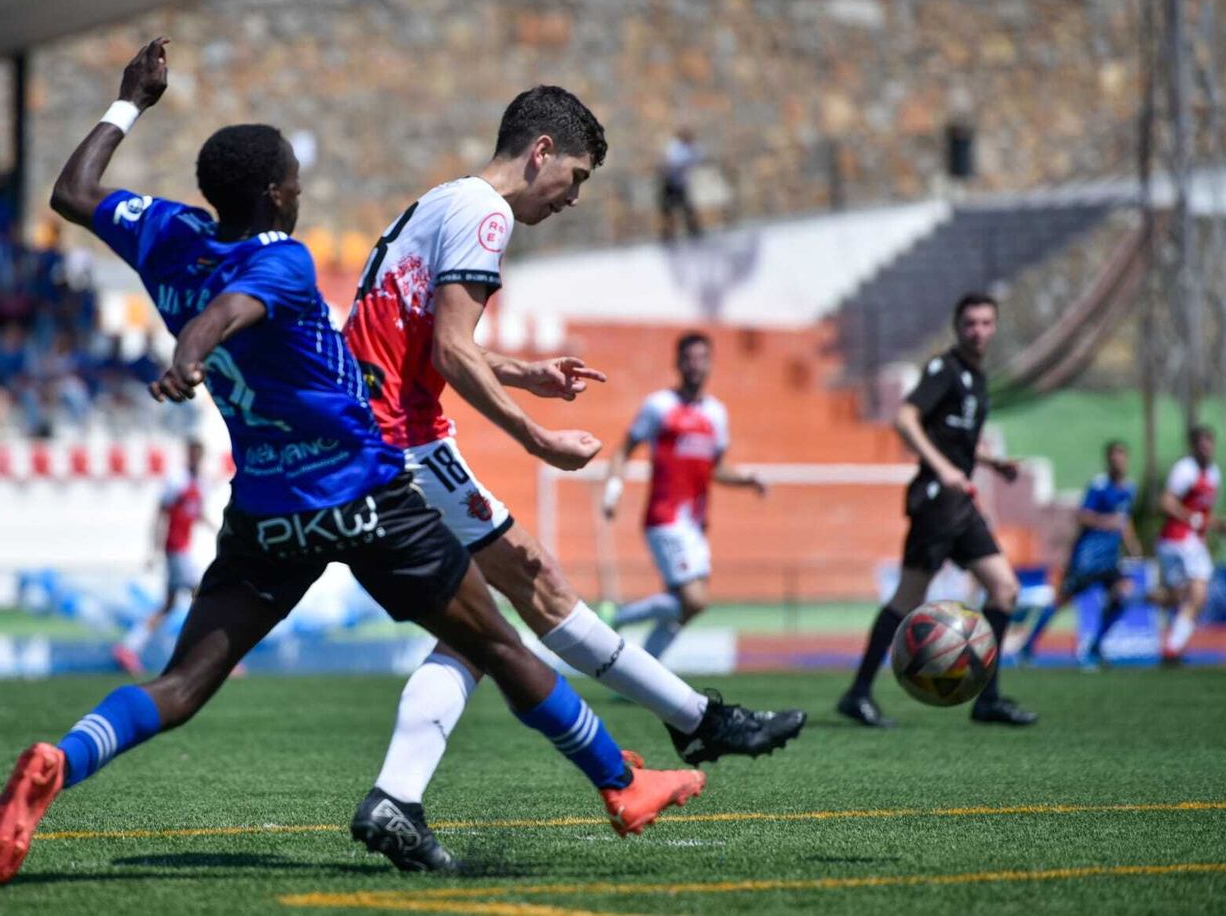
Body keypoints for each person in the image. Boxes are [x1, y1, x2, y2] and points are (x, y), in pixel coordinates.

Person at [0, 38, 704, 886]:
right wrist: (192, 349)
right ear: (281, 193)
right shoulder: (282, 261)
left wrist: (128, 103)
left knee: (183, 682)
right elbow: (233, 309)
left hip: (264, 512)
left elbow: (73, 193)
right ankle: (623, 784)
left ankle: (62, 761)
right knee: (499, 646)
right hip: (365, 493)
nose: (300, 189)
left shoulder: (169, 236)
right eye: (295, 180)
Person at [342, 86, 804, 870]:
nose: (576, 198)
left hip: (368, 440)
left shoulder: (445, 202)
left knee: (479, 626)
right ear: (541, 152)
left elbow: (431, 339)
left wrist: (524, 372)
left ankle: (397, 798)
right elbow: (453, 350)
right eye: (579, 176)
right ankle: (695, 721)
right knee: (535, 583)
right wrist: (535, 436)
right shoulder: (486, 216)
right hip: (399, 444)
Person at [837, 292, 1036, 727]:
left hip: (960, 502)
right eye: (970, 324)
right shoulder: (943, 370)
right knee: (908, 598)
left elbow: (955, 440)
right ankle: (858, 693)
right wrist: (944, 468)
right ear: (957, 327)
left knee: (1005, 589)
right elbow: (906, 419)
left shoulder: (977, 379)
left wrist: (987, 462)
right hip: (935, 503)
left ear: (994, 327)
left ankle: (988, 698)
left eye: (985, 323)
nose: (978, 331)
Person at [602, 332, 767, 659]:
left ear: (710, 364)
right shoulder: (660, 407)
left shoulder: (716, 414)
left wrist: (747, 481)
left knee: (685, 609)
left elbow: (716, 468)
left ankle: (645, 674)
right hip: (665, 518)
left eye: (702, 358)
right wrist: (613, 490)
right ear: (678, 363)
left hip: (695, 523)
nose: (696, 365)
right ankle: (618, 616)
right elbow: (623, 450)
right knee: (695, 600)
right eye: (689, 359)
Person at [1018, 441, 1141, 669]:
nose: (1118, 460)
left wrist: (1132, 545)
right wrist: (1106, 522)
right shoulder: (1099, 486)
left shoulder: (1129, 488)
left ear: (1127, 459)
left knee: (1122, 594)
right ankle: (1027, 646)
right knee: (1062, 600)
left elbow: (1124, 520)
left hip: (1110, 559)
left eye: (1122, 455)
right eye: (1114, 455)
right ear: (1108, 459)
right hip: (1088, 558)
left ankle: (1096, 646)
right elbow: (1082, 516)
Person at [115, 439, 210, 675]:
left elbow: (196, 513)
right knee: (203, 596)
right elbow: (161, 515)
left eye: (198, 454)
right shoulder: (176, 482)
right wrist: (154, 550)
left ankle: (128, 647)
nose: (195, 458)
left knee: (168, 606)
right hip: (176, 548)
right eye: (192, 453)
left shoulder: (199, 483)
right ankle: (210, 658)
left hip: (184, 549)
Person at [1153, 425, 1222, 665]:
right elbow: (1166, 501)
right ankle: (1172, 647)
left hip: (1192, 541)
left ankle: (1171, 648)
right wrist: (1192, 518)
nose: (1206, 447)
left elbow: (1202, 513)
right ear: (1193, 446)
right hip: (1178, 539)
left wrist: (1215, 524)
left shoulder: (1213, 472)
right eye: (1201, 442)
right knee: (1193, 595)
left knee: (1185, 596)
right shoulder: (1185, 470)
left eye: (1209, 442)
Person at [658, 127, 704, 241]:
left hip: (680, 183)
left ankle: (693, 230)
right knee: (668, 210)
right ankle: (668, 234)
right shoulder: (676, 147)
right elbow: (675, 162)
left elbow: (699, 156)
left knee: (686, 208)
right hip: (670, 183)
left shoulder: (690, 148)